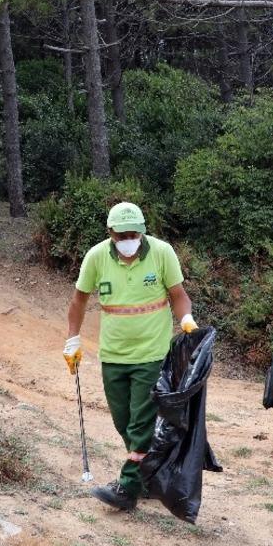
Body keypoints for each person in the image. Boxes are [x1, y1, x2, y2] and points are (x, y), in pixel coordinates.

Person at [64, 202, 198, 511]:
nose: (128, 239)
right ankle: (149, 475)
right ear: (110, 232)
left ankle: (127, 488)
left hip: (152, 354)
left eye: (134, 233)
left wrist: (187, 321)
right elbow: (79, 300)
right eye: (122, 234)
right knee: (123, 421)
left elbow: (178, 296)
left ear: (143, 231)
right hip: (113, 354)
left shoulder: (162, 253)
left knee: (141, 422)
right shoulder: (96, 257)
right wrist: (72, 339)